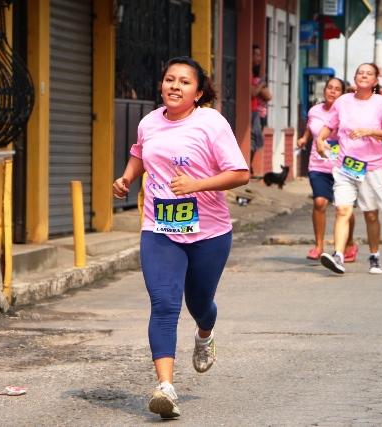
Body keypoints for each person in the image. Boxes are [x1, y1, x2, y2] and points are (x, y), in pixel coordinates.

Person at [112, 56, 249, 419]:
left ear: (198, 92)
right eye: (169, 79)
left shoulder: (211, 123)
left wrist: (196, 184)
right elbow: (140, 153)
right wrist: (127, 177)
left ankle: (205, 331)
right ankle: (166, 388)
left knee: (199, 303)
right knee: (164, 304)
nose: (174, 86)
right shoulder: (149, 122)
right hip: (159, 228)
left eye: (184, 82)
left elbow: (240, 174)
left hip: (209, 230)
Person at [315, 63, 382, 275]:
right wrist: (320, 139)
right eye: (360, 73)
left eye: (369, 74)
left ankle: (374, 255)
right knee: (342, 210)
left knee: (370, 215)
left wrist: (370, 131)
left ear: (375, 81)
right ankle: (338, 256)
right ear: (355, 78)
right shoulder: (343, 101)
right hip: (346, 167)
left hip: (372, 167)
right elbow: (330, 124)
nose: (364, 76)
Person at [296, 77, 358, 263]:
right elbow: (311, 129)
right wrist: (304, 139)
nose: (332, 91)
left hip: (343, 166)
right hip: (318, 164)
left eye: (337, 89)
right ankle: (319, 246)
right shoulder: (315, 110)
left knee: (344, 207)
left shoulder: (348, 112)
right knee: (320, 202)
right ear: (324, 91)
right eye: (329, 88)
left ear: (343, 93)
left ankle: (349, 243)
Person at [250, 44, 270, 176]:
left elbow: (269, 96)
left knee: (256, 140)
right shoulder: (251, 75)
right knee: (254, 140)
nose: (260, 58)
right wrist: (261, 86)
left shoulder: (255, 75)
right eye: (257, 55)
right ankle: (248, 166)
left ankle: (249, 166)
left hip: (257, 112)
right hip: (253, 111)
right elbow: (253, 92)